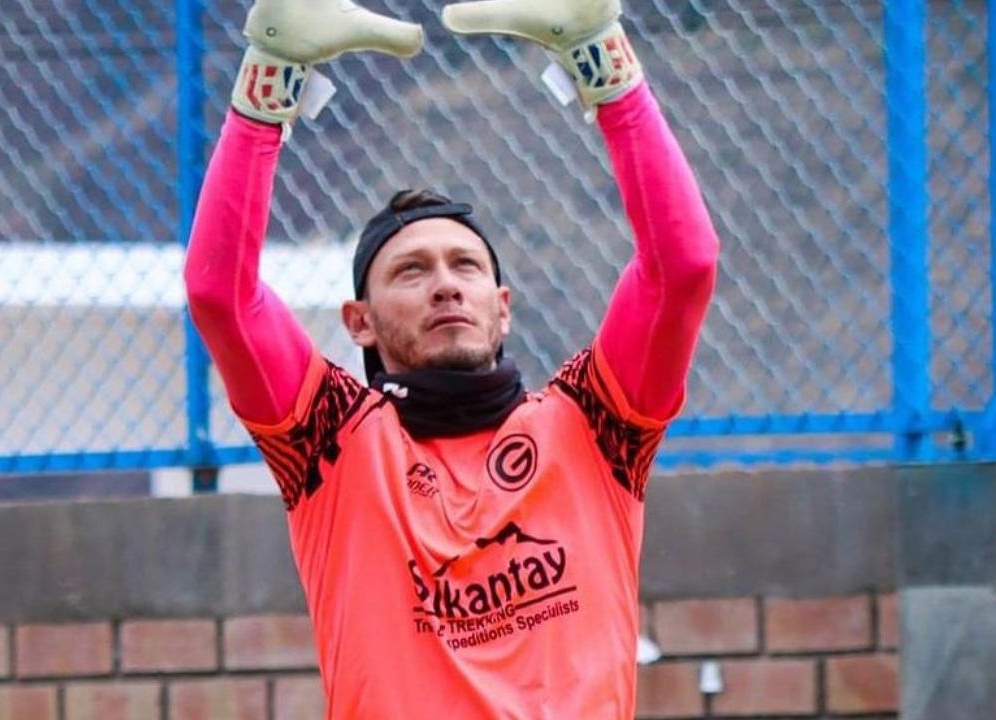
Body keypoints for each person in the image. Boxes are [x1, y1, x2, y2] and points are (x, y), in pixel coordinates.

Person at [183, 0, 720, 716]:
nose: (444, 284)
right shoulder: (332, 444)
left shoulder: (594, 425)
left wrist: (604, 62)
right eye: (411, 271)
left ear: (503, 305)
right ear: (360, 323)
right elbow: (220, 293)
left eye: (465, 266)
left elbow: (681, 266)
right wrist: (267, 81)